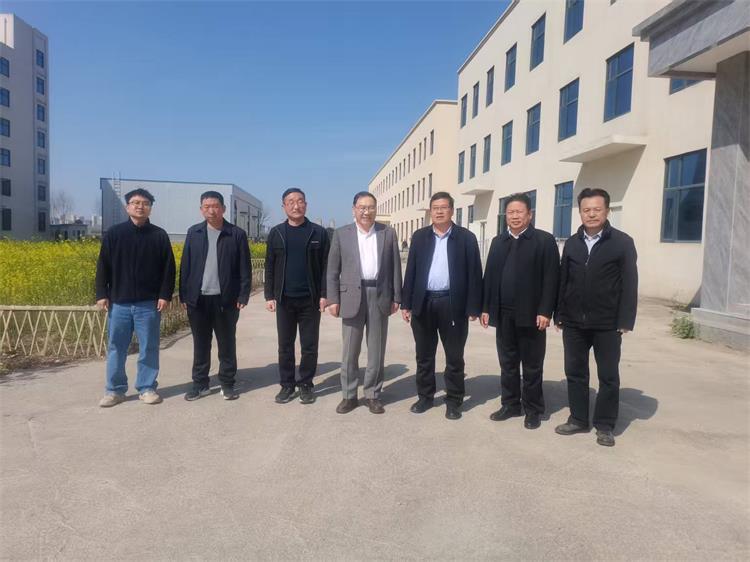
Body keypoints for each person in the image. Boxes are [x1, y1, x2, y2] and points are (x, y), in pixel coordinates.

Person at [554, 188, 638, 447]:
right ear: (580, 212)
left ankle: (605, 425)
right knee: (575, 372)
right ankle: (578, 419)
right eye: (586, 210)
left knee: (608, 376)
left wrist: (625, 320)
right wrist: (559, 313)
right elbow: (563, 280)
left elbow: (630, 283)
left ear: (607, 211)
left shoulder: (622, 242)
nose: (591, 214)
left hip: (607, 323)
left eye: (597, 209)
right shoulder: (572, 243)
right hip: (574, 322)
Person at [401, 192, 482, 420]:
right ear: (430, 211)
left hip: (452, 304)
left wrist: (474, 307)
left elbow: (475, 273)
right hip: (423, 303)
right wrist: (406, 303)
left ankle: (454, 400)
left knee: (454, 356)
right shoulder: (420, 237)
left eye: (443, 207)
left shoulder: (466, 238)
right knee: (424, 355)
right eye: (435, 207)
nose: (439, 211)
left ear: (451, 210)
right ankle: (425, 397)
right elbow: (411, 271)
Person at [480, 192, 559, 429]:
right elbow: (489, 277)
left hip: (532, 315)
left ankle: (533, 409)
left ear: (529, 215)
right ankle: (510, 404)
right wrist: (486, 308)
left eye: (519, 212)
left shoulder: (543, 240)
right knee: (508, 362)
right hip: (504, 313)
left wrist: (546, 311)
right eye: (510, 212)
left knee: (532, 365)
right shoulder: (498, 241)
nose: (514, 216)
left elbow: (551, 278)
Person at [95, 188, 176, 407]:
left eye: (145, 203)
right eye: (135, 202)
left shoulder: (159, 235)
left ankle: (147, 387)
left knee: (149, 347)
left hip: (148, 304)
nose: (140, 206)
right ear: (127, 206)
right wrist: (101, 293)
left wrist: (164, 295)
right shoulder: (114, 234)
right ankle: (115, 390)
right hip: (119, 303)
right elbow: (103, 265)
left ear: (150, 208)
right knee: (116, 348)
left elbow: (168, 268)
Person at [326, 191, 402, 414]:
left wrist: (397, 297)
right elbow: (332, 270)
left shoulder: (387, 233)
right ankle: (349, 395)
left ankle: (372, 394)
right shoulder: (341, 234)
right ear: (354, 209)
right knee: (350, 350)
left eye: (370, 207)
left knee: (376, 349)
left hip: (379, 295)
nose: (366, 212)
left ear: (375, 210)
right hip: (351, 297)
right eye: (362, 207)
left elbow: (395, 267)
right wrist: (333, 299)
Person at [179, 191, 251, 401]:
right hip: (198, 300)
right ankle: (200, 384)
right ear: (201, 209)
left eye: (215, 206)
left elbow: (244, 267)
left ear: (223, 209)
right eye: (207, 206)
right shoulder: (194, 232)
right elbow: (186, 266)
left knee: (226, 344)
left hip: (226, 300)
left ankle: (227, 383)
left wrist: (243, 295)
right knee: (201, 344)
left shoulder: (236, 234)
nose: (211, 210)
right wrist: (184, 295)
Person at [264, 188, 330, 405]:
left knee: (309, 345)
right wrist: (269, 295)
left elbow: (326, 267)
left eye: (300, 201)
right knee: (285, 345)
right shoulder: (277, 232)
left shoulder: (318, 233)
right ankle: (287, 384)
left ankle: (306, 384)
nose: (296, 205)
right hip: (284, 299)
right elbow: (270, 265)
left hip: (310, 300)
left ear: (306, 205)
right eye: (291, 202)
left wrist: (324, 294)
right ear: (284, 206)